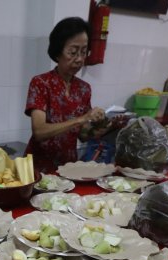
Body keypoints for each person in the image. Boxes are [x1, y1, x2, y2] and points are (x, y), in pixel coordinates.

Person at [24, 17, 107, 173]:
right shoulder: (41, 83)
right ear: (57, 52)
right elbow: (39, 132)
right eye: (73, 52)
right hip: (38, 169)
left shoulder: (84, 89)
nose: (80, 59)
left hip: (68, 169)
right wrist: (81, 119)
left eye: (84, 52)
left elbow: (82, 135)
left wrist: (98, 128)